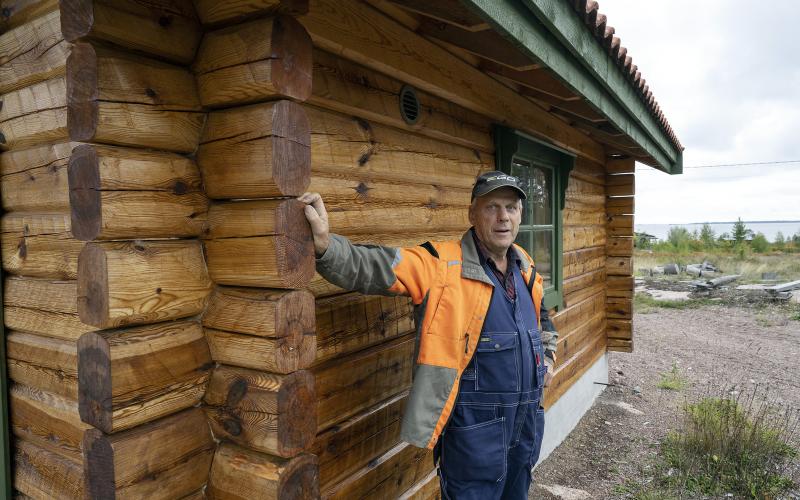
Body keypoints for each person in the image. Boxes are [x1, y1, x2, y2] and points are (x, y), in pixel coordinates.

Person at [298, 171, 558, 500]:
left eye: (511, 207)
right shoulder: (440, 264)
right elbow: (375, 266)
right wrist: (325, 245)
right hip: (474, 433)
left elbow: (542, 319)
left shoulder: (526, 266)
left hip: (526, 424)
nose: (503, 217)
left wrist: (547, 357)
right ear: (472, 214)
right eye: (492, 207)